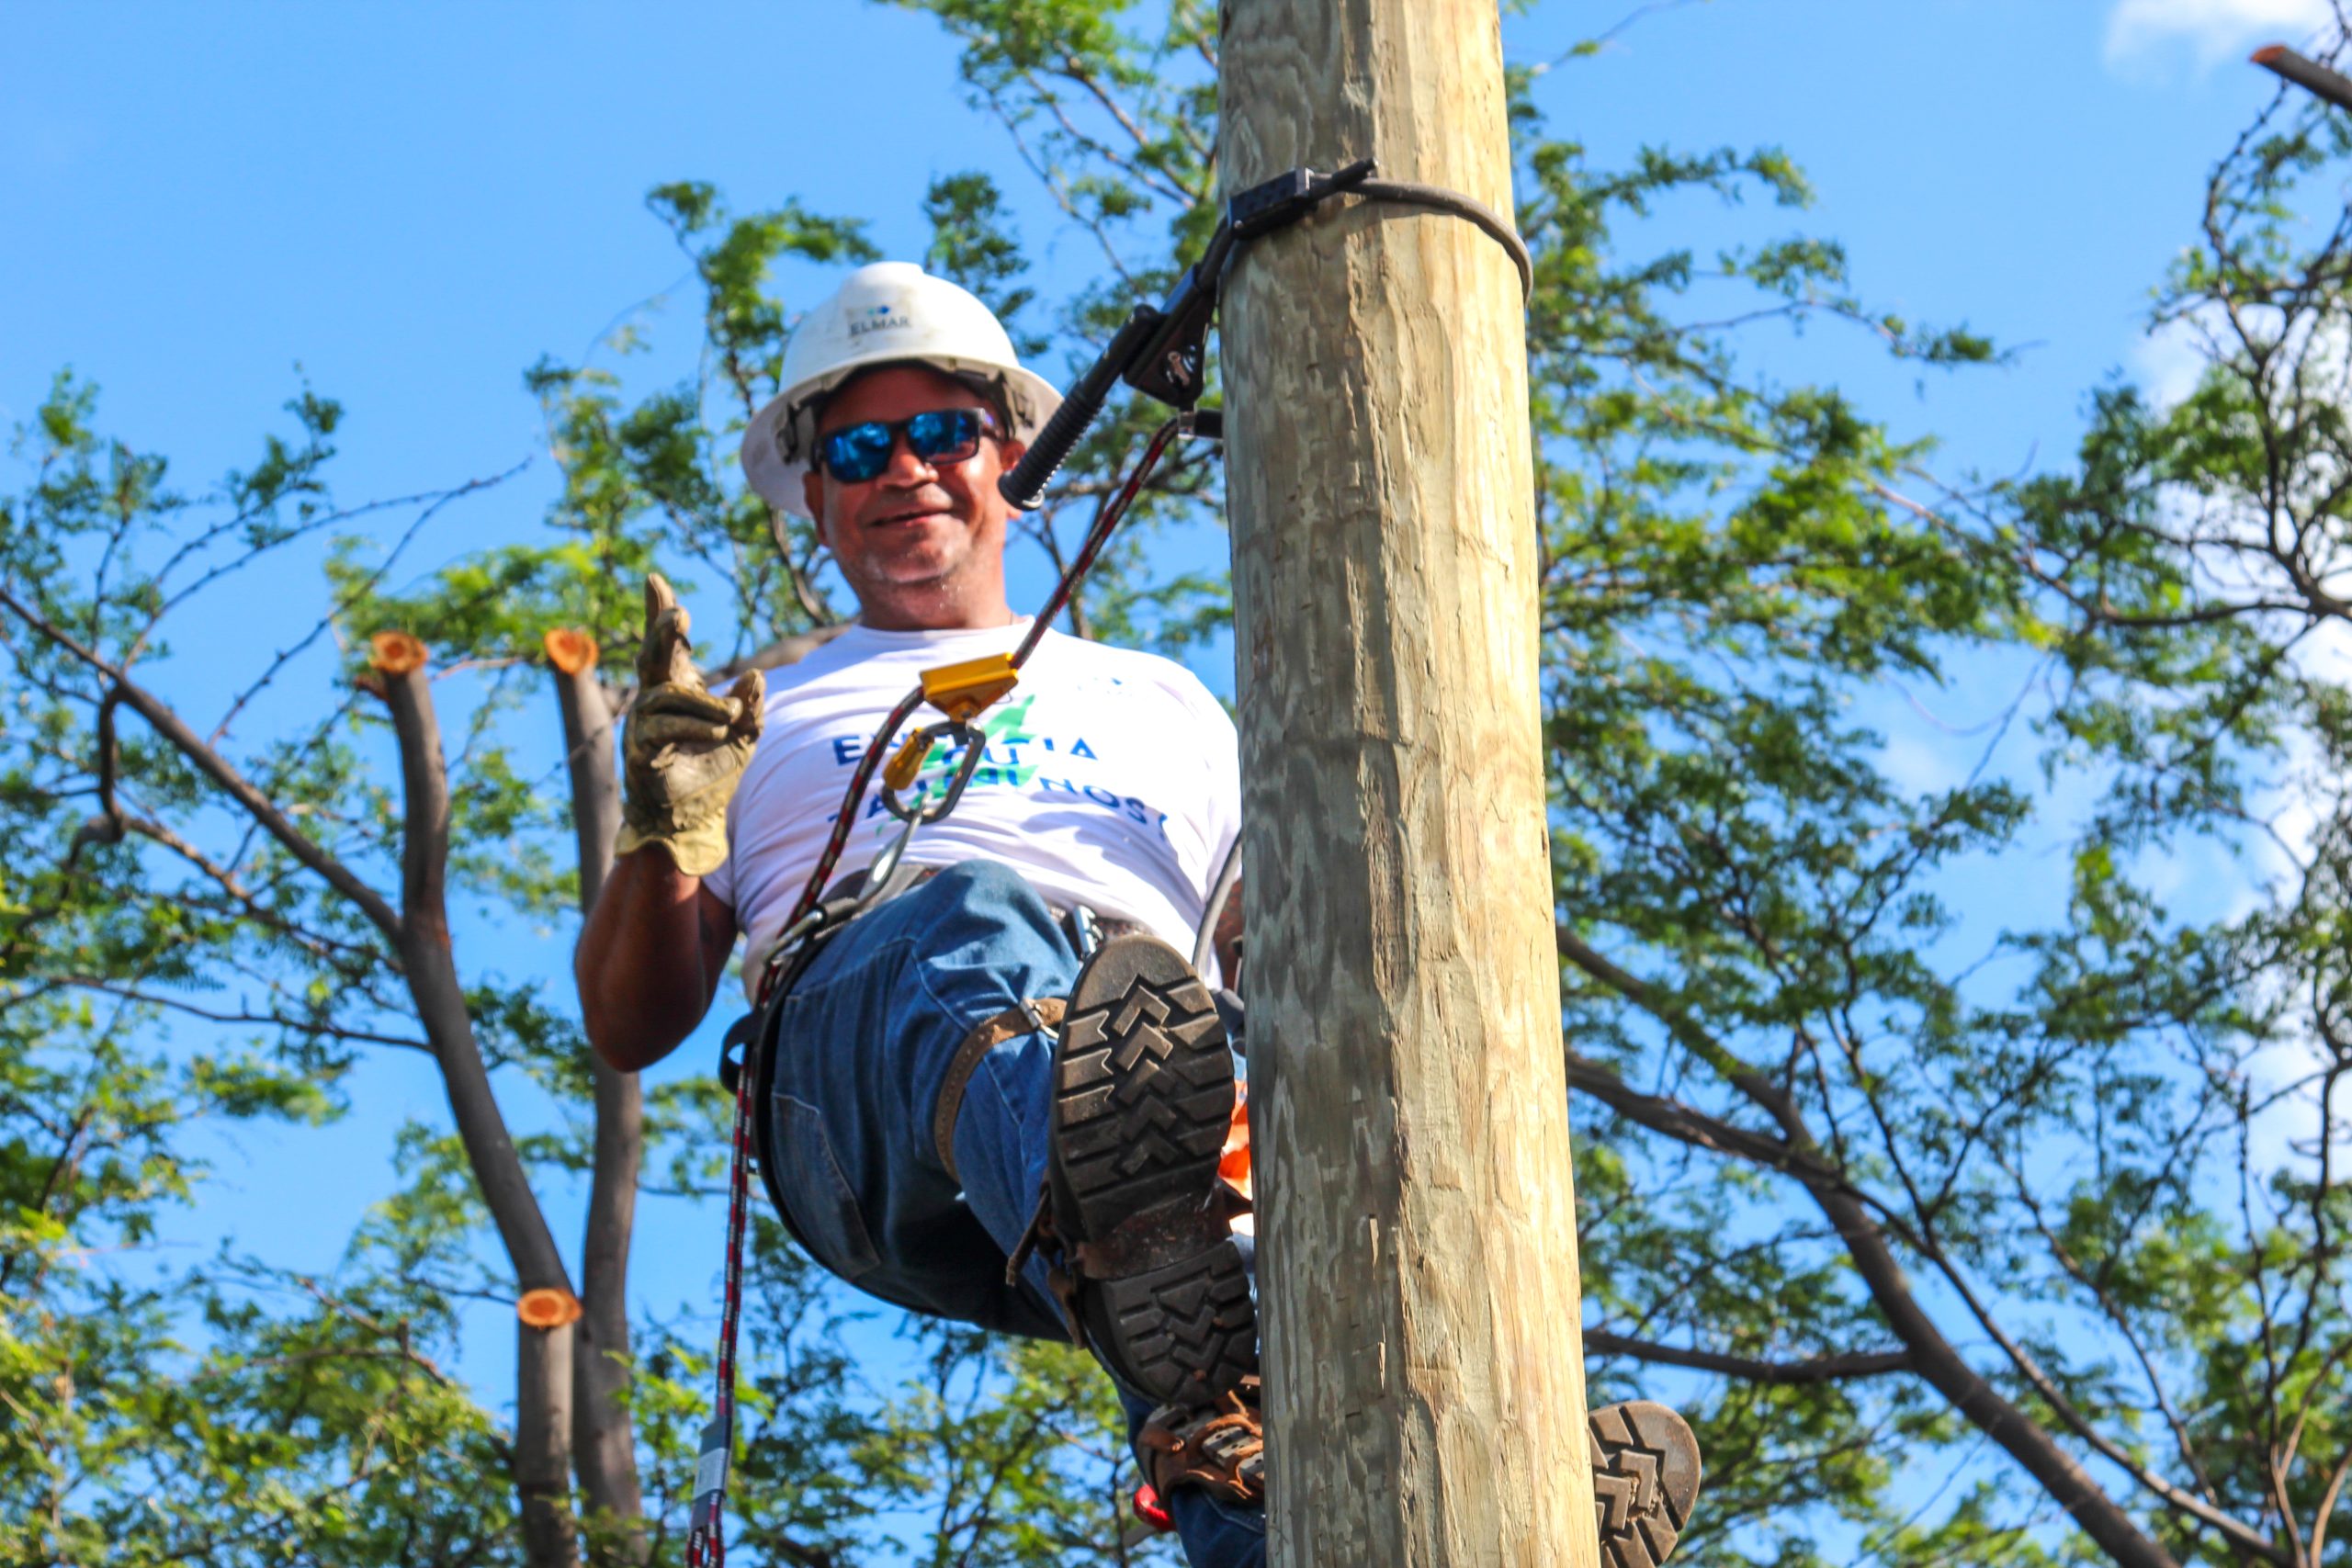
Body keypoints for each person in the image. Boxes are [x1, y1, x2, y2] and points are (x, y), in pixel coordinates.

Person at [574, 261, 1701, 1568]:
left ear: (1008, 450)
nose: (906, 471)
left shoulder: (1157, 702)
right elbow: (628, 1023)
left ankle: (1438, 1501)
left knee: (1256, 1363)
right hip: (864, 1085)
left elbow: (1267, 951)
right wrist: (667, 830)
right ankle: (1132, 1206)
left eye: (942, 433)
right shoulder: (760, 707)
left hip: (1147, 1055)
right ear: (816, 489)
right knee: (973, 924)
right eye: (863, 447)